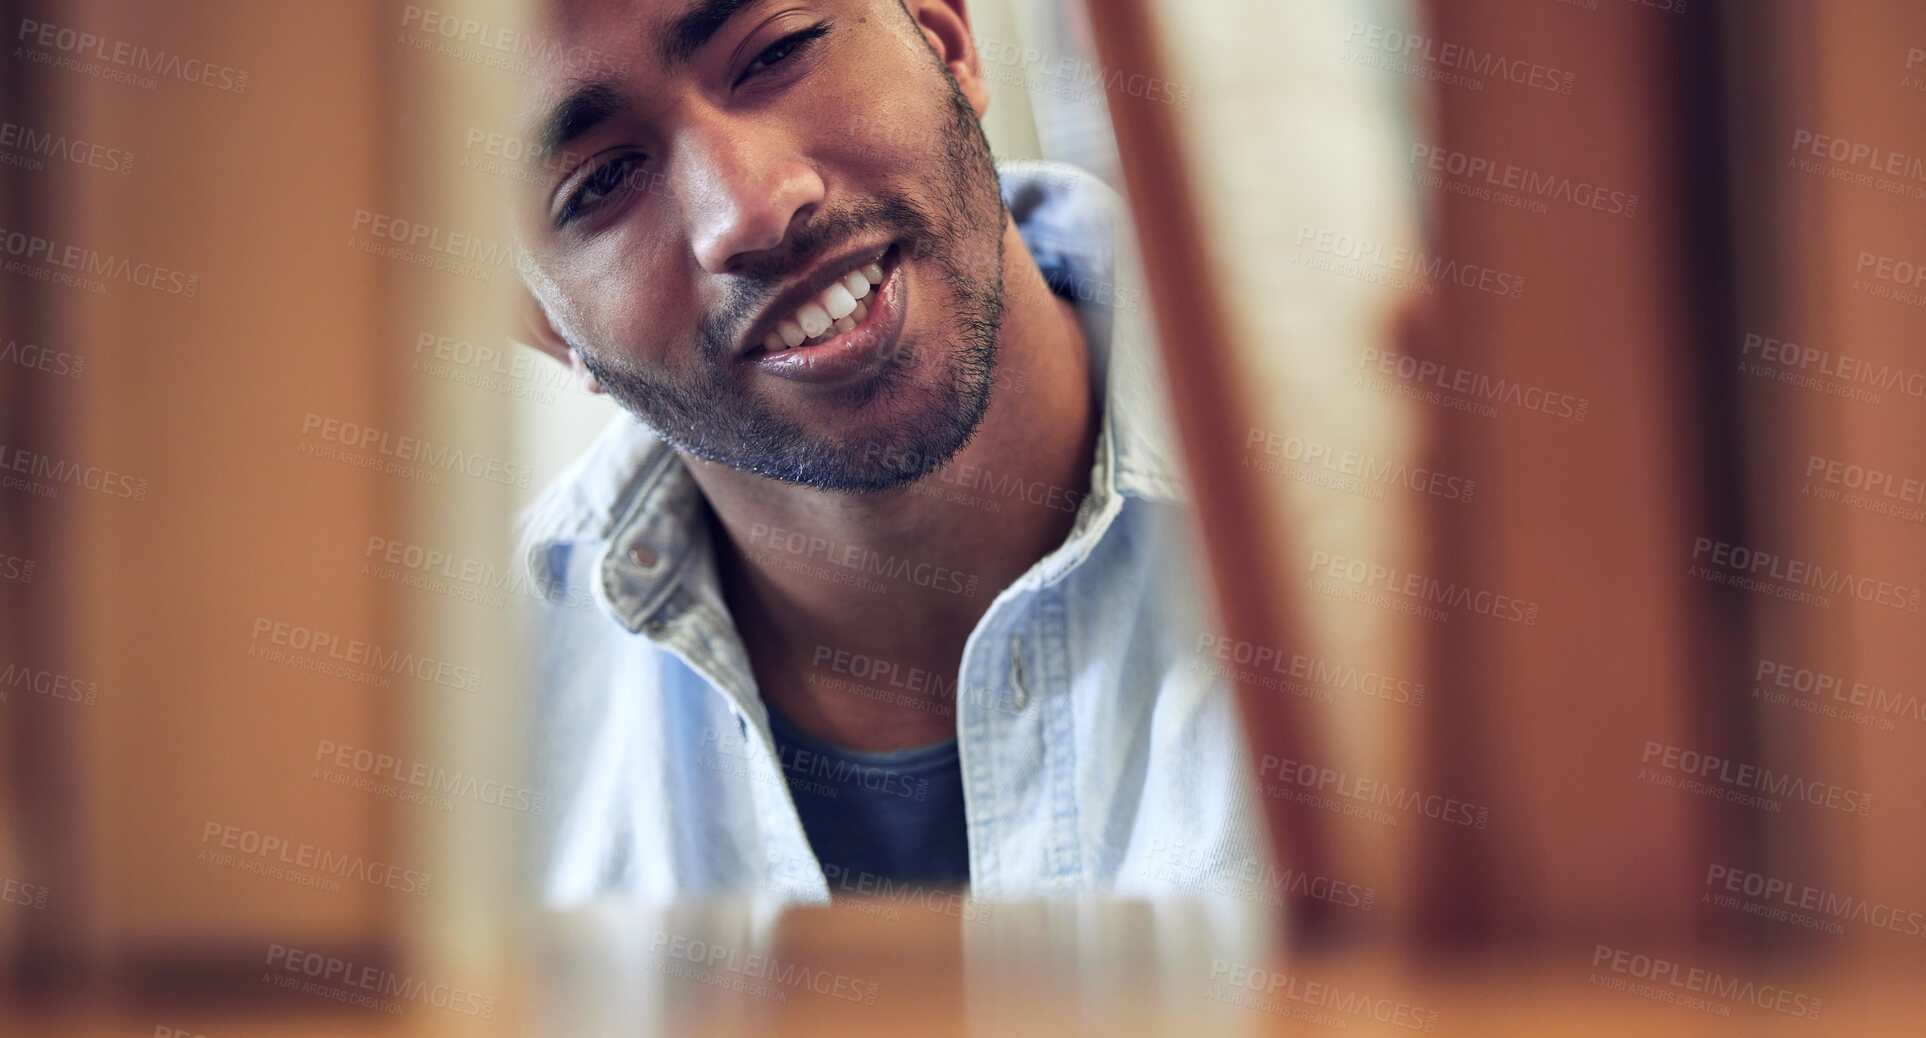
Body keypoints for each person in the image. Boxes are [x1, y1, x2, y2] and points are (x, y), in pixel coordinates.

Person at [514, 0, 1272, 905]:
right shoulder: (450, 754)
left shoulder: (1397, 523)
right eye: (597, 184)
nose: (749, 208)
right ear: (543, 327)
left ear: (944, 38)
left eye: (778, 51)